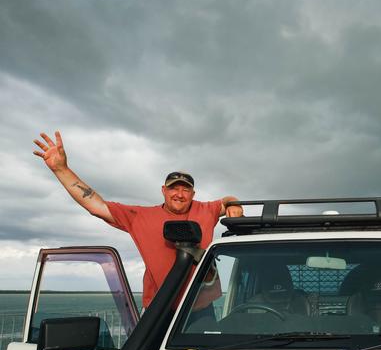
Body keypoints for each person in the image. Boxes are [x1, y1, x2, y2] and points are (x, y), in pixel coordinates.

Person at [32, 131, 243, 309]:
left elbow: (226, 200)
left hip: (199, 309)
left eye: (185, 189)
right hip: (159, 307)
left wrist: (234, 204)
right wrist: (61, 169)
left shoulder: (205, 210)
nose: (179, 194)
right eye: (173, 188)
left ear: (193, 193)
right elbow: (95, 205)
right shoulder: (140, 217)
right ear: (163, 191)